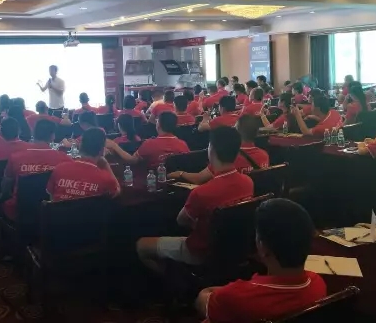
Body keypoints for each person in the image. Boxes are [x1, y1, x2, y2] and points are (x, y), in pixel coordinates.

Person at [136, 127, 254, 270]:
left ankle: (172, 278)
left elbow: (181, 221)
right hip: (233, 248)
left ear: (211, 150)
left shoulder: (201, 193)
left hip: (200, 252)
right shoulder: (248, 182)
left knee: (141, 246)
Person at [196, 199, 326, 323]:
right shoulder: (318, 284)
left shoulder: (235, 297)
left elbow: (202, 300)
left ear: (263, 247)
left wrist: (216, 291)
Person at [0, 119, 73, 221]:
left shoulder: (16, 157)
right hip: (51, 213)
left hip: (20, 212)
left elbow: (6, 186)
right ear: (52, 136)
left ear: (33, 134)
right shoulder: (64, 159)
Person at [46, 128, 120, 201]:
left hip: (60, 209)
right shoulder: (105, 178)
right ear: (102, 151)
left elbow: (51, 197)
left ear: (80, 147)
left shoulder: (59, 169)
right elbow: (116, 192)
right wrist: (105, 164)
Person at [106, 112, 189, 169]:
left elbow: (132, 160)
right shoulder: (183, 144)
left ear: (158, 125)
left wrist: (114, 146)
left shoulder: (150, 144)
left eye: (157, 121)